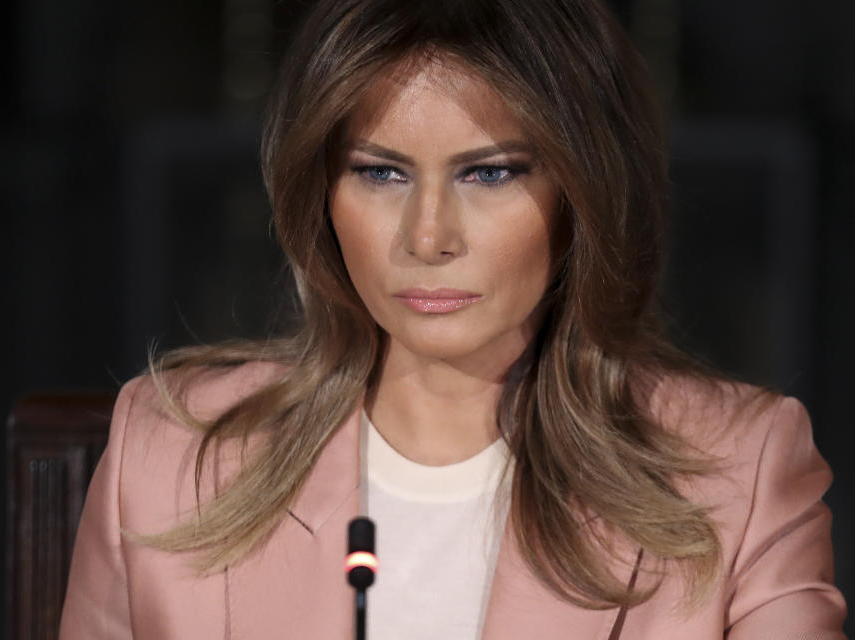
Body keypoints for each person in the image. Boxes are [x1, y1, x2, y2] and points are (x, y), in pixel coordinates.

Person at [59, 0, 847, 638]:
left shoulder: (738, 471)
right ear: (321, 196)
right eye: (380, 173)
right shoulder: (167, 455)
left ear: (584, 195)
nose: (428, 237)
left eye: (489, 172)